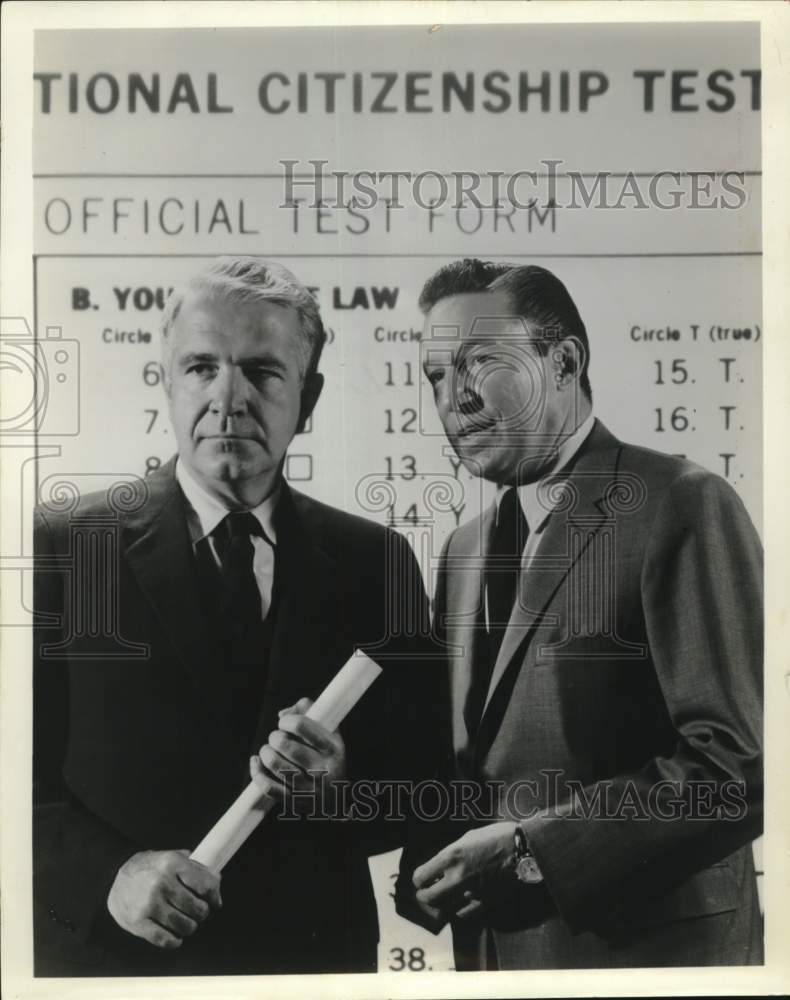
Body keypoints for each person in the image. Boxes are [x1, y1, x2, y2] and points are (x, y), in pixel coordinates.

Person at [33, 256, 440, 976]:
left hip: (313, 968)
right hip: (118, 969)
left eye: (262, 372)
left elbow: (426, 784)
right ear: (166, 383)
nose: (228, 399)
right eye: (201, 367)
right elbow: (14, 780)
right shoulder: (63, 547)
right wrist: (110, 876)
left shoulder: (377, 561)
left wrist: (341, 789)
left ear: (308, 399)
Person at [396, 259, 763, 969]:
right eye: (435, 376)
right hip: (497, 961)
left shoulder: (680, 502)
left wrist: (531, 850)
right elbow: (477, 767)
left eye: (480, 362)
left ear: (564, 361)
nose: (453, 398)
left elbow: (738, 767)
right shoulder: (463, 551)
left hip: (649, 963)